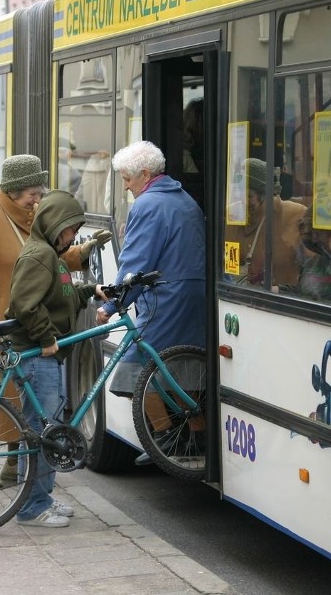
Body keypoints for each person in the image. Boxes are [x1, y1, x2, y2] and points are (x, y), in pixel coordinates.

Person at [0, 154, 111, 487]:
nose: (37, 199)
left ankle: (15, 462)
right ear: (13, 190)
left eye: (40, 191)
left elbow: (47, 260)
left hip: (19, 318)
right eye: (31, 192)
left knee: (17, 393)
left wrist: (81, 253)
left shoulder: (32, 216)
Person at [95, 141, 206, 465]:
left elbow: (135, 263)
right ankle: (196, 437)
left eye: (127, 178)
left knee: (133, 369)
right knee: (183, 368)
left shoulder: (147, 205)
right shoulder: (185, 200)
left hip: (166, 300)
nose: (126, 186)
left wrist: (112, 305)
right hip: (193, 298)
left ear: (144, 174)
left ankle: (165, 439)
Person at [6, 189, 108, 527]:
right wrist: (47, 338)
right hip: (36, 356)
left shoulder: (51, 254)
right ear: (53, 225)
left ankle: (40, 497)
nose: (73, 236)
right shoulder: (39, 256)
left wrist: (85, 291)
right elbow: (25, 303)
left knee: (45, 428)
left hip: (42, 355)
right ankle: (32, 507)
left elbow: (58, 293)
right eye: (70, 229)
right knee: (40, 431)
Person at [226, 158, 306, 286]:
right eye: (239, 195)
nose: (243, 202)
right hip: (237, 298)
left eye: (249, 196)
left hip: (281, 300)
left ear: (265, 194)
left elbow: (313, 265)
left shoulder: (294, 214)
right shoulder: (230, 215)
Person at [276, 198, 331, 304]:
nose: (314, 239)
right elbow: (304, 293)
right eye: (312, 233)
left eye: (319, 232)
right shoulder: (314, 262)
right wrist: (279, 291)